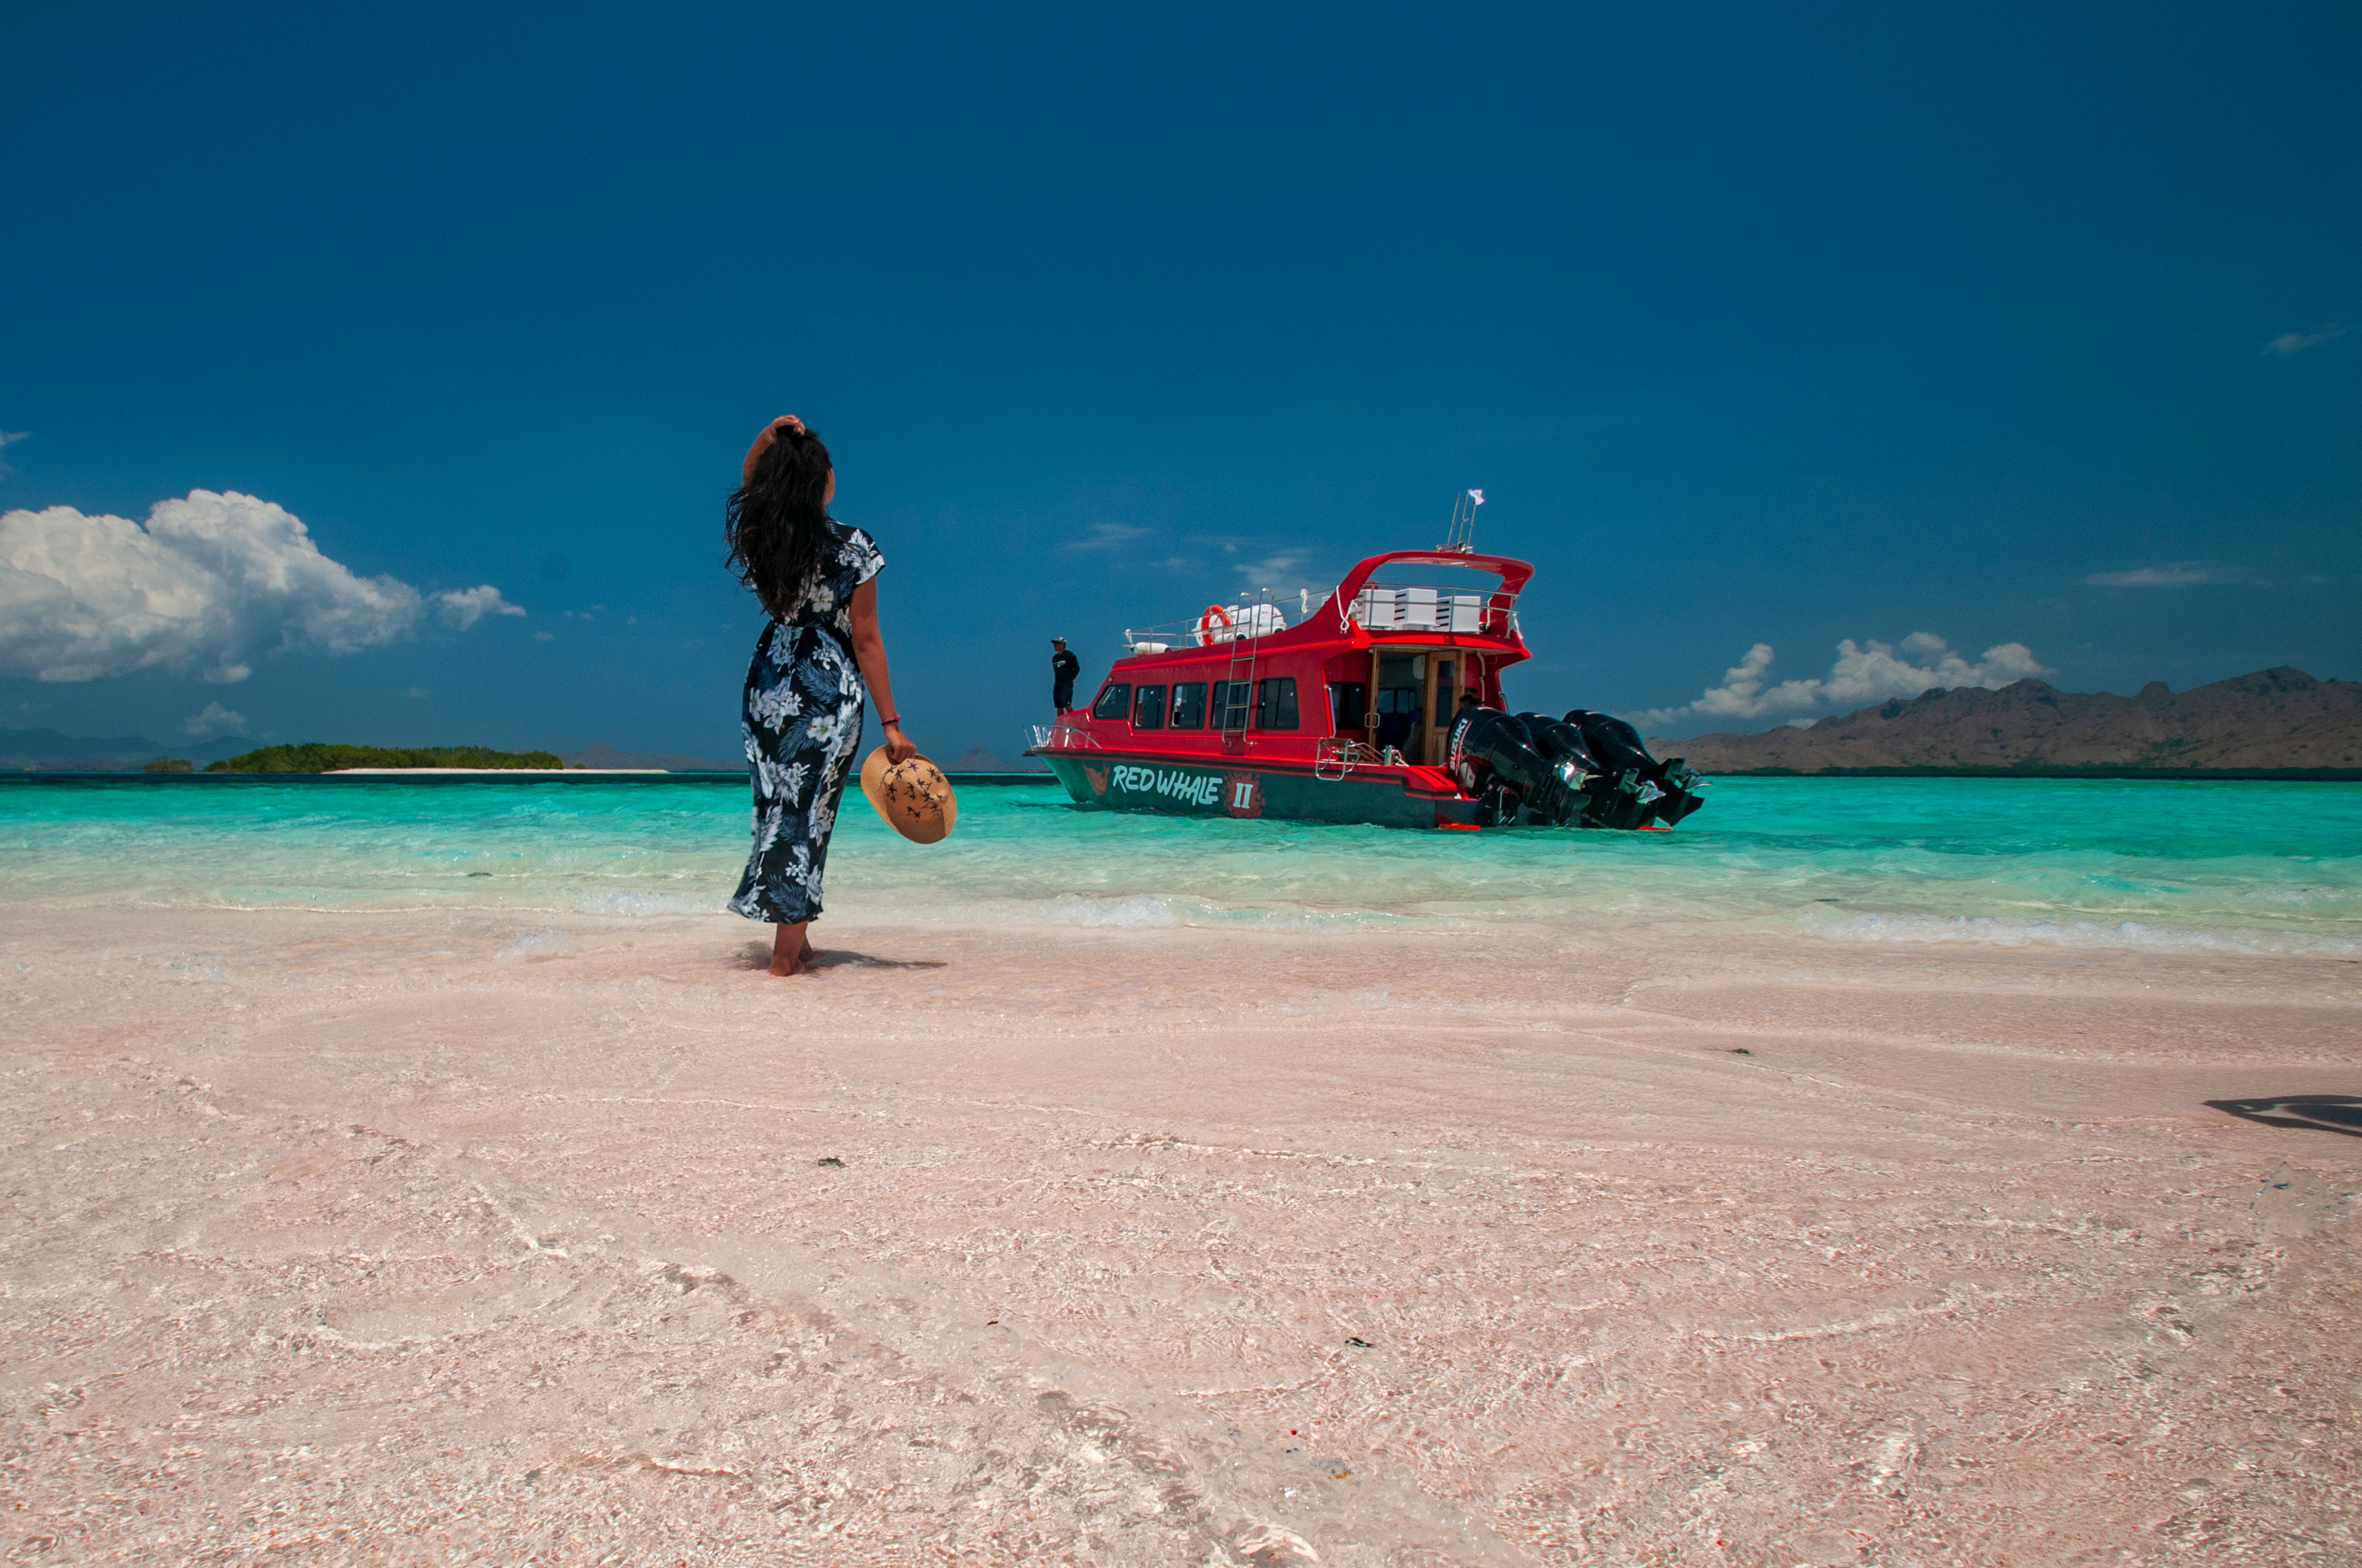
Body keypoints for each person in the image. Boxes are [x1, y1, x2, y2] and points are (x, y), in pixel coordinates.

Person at [723, 415, 917, 978]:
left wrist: (766, 437)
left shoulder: (764, 534)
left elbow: (748, 479)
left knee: (777, 809)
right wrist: (892, 724)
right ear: (823, 481)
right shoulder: (853, 547)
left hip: (768, 683)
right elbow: (866, 639)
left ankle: (796, 942)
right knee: (809, 817)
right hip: (825, 689)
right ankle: (783, 962)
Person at [1050, 637, 1081, 713]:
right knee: (1059, 705)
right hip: (1058, 684)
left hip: (1067, 683)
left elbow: (1077, 668)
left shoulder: (1069, 655)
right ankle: (1060, 724)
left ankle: (1074, 720)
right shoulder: (1055, 658)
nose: (1055, 646)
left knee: (1067, 704)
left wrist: (1071, 678)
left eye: (1056, 644)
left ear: (1062, 645)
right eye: (1054, 644)